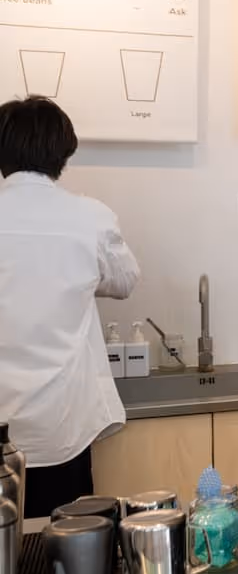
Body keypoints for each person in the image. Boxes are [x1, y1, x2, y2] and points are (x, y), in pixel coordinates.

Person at [0, 96, 139, 517]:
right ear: (63, 153)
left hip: (3, 432)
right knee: (66, 559)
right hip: (63, 430)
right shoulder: (89, 218)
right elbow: (125, 280)